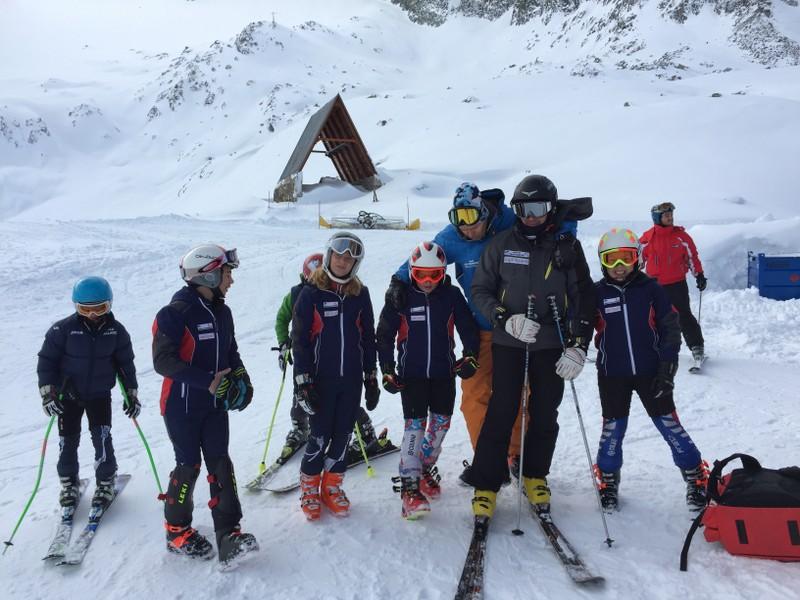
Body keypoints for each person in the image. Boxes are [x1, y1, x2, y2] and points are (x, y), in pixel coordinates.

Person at [465, 174, 594, 519]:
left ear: (551, 208)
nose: (531, 217)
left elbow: (583, 297)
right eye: (523, 209)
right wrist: (504, 318)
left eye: (538, 208)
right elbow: (480, 290)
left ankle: (535, 474)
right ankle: (486, 482)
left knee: (545, 411)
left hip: (550, 342)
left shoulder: (566, 247)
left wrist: (579, 345)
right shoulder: (502, 244)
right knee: (502, 409)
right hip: (510, 340)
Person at [385, 183, 524, 481]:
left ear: (484, 213)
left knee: (517, 393)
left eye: (472, 222)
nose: (467, 229)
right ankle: (488, 460)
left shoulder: (509, 223)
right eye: (460, 222)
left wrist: (567, 225)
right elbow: (427, 256)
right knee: (474, 396)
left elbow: (545, 228)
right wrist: (398, 280)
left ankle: (517, 454)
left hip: (516, 327)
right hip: (482, 328)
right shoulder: (452, 235)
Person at [153, 244, 258, 565]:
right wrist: (208, 381)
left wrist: (242, 378)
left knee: (220, 463)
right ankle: (176, 532)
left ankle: (229, 535)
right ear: (208, 275)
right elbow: (162, 361)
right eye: (227, 274)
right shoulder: (175, 313)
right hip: (181, 406)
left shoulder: (223, 312)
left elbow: (231, 352)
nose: (231, 280)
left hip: (214, 406)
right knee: (188, 466)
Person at [592, 228, 708, 511]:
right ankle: (608, 480)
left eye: (626, 258)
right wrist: (573, 346)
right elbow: (581, 324)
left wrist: (667, 365)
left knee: (669, 424)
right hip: (612, 374)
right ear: (602, 262)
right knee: (613, 429)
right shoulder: (596, 293)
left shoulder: (652, 289)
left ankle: (695, 477)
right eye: (612, 259)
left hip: (651, 372)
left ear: (638, 258)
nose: (620, 266)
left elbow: (670, 327)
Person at [377, 241, 479, 519]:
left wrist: (471, 355)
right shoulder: (402, 297)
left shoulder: (451, 296)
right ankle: (410, 488)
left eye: (434, 275)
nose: (427, 281)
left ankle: (422, 468)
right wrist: (386, 368)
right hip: (411, 376)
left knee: (441, 426)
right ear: (412, 272)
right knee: (415, 429)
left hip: (444, 373)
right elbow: (384, 334)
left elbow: (467, 327)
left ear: (443, 273)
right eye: (421, 274)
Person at [291, 232, 379, 521]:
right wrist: (303, 381)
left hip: (350, 380)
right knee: (318, 435)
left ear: (356, 263)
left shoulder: (360, 294)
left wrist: (371, 375)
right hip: (320, 380)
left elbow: (368, 337)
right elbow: (300, 340)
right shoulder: (311, 294)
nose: (342, 262)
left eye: (349, 259)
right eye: (338, 256)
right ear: (329, 257)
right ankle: (309, 488)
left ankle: (331, 486)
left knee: (343, 435)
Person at [37, 276, 139, 510]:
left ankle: (106, 481)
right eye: (85, 309)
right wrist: (47, 393)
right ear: (76, 306)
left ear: (109, 304)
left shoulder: (116, 332)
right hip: (67, 396)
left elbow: (126, 365)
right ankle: (68, 483)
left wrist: (131, 395)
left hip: (99, 395)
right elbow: (46, 362)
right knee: (67, 441)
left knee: (102, 438)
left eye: (99, 308)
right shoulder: (62, 330)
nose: (92, 314)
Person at [640, 202, 707, 362]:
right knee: (653, 317)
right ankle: (652, 347)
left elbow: (692, 257)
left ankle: (697, 346)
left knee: (683, 315)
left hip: (677, 284)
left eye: (671, 214)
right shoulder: (648, 238)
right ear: (657, 218)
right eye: (666, 215)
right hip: (654, 285)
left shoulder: (681, 236)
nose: (670, 217)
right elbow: (637, 260)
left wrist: (699, 275)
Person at [274, 253, 323, 454]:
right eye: (314, 278)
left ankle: (364, 431)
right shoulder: (295, 295)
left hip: (327, 355)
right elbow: (281, 319)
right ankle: (300, 428)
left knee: (339, 397)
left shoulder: (333, 293)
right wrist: (284, 343)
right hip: (303, 355)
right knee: (301, 395)